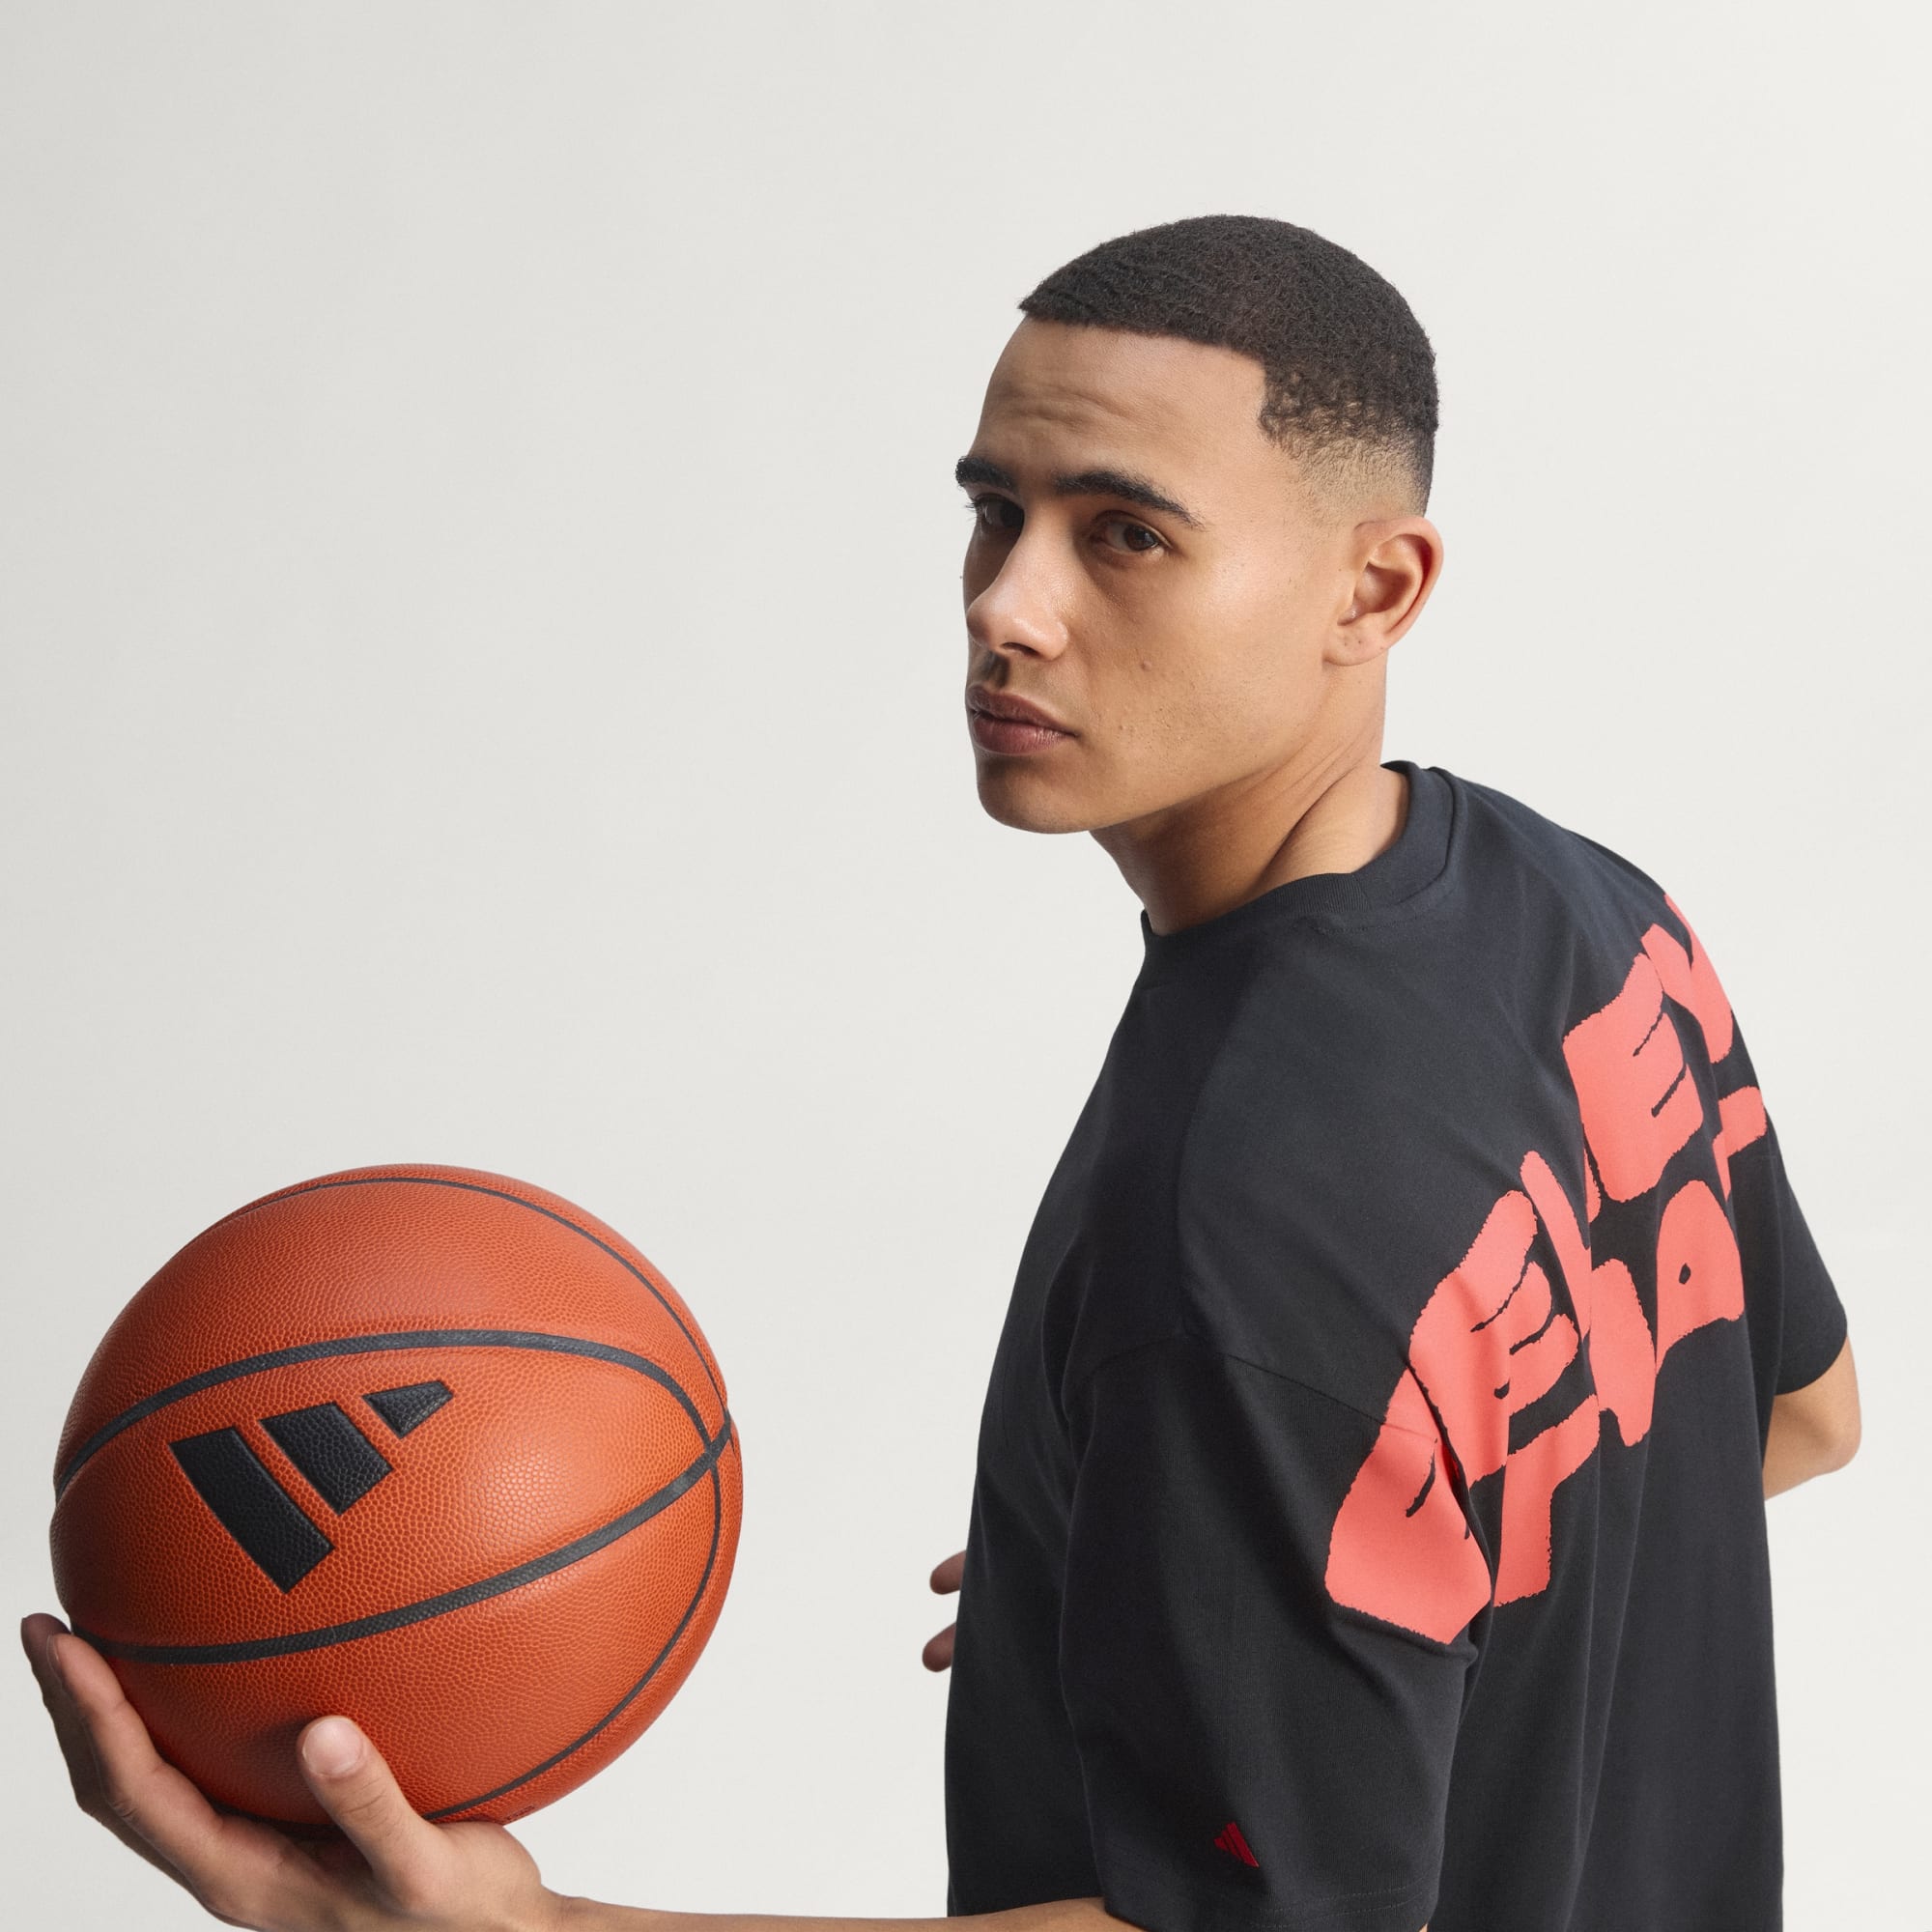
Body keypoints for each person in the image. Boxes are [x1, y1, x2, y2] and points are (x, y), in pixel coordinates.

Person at [22, 214, 1860, 1932]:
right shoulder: (1586, 909)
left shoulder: (1234, 1215)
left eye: (1125, 535)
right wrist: (1252, 1595)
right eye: (996, 514)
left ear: (1374, 589)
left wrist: (528, 1927)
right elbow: (1790, 1411)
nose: (1007, 606)